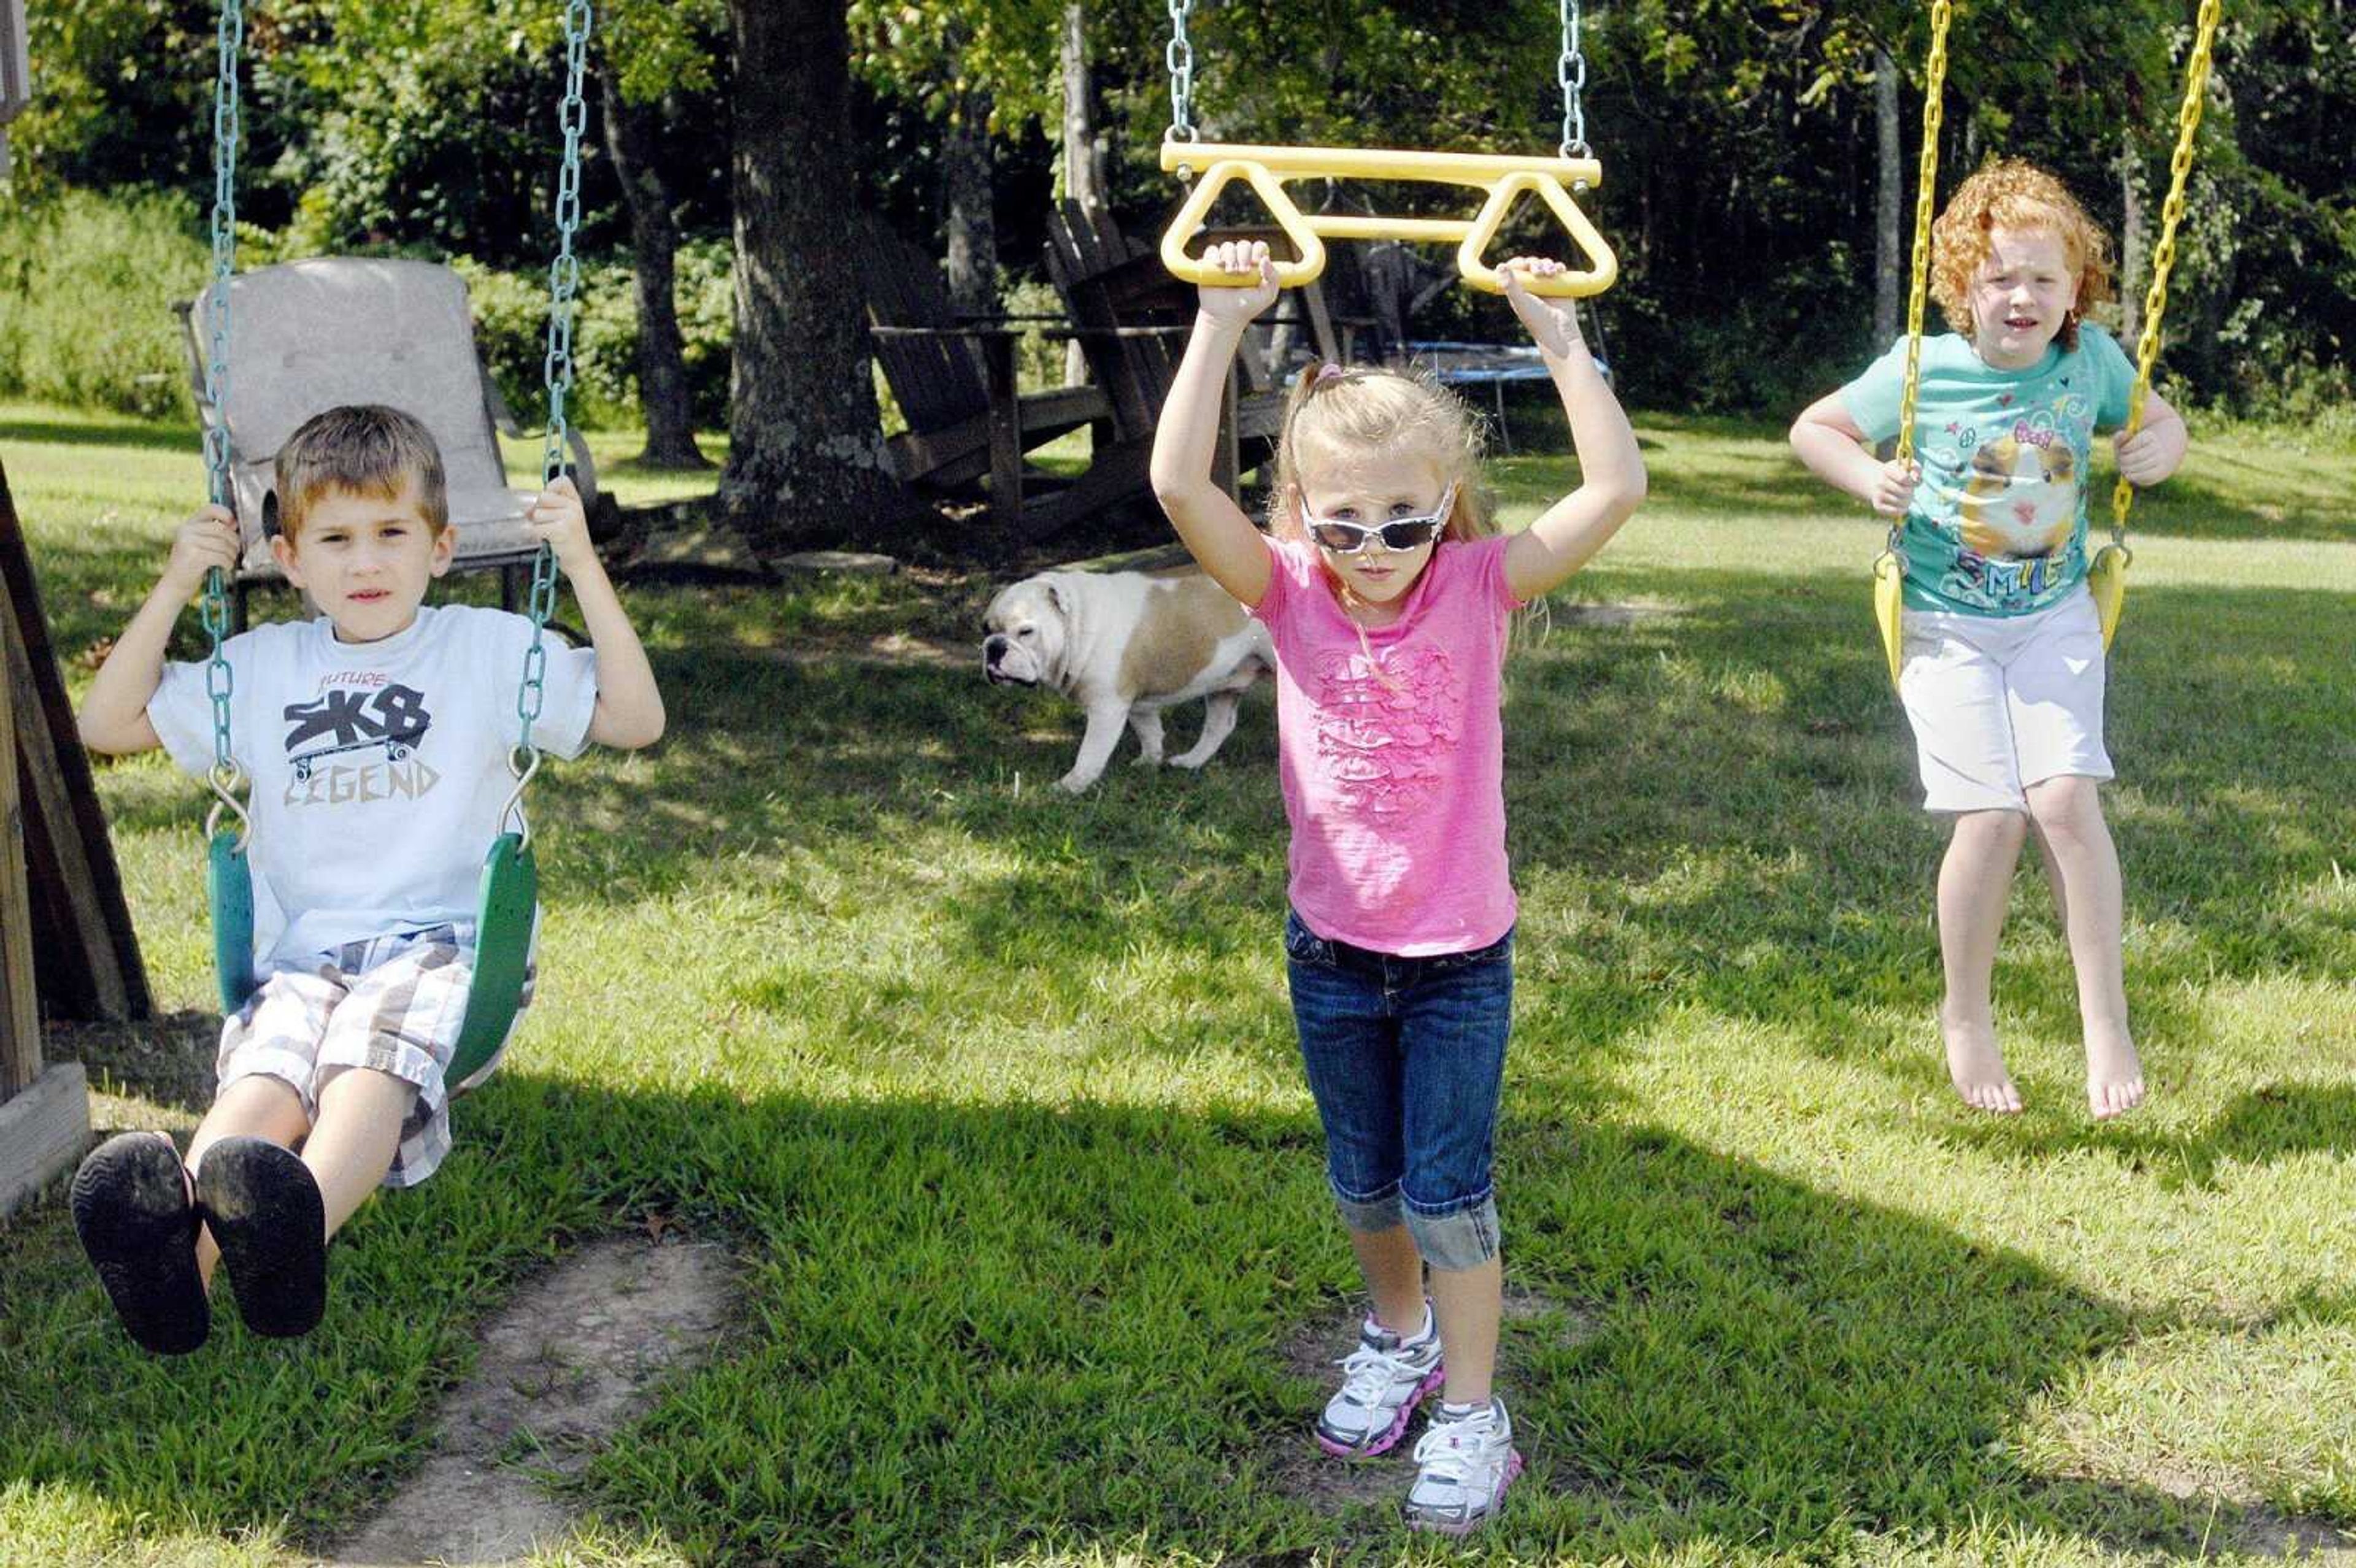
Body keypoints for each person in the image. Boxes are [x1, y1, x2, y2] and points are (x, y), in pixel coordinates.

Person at [1150, 240, 1645, 1532]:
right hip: (1332, 952)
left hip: (1458, 960)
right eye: (1346, 521)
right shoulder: (1290, 591)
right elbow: (1173, 484)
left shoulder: (1480, 587)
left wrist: (1557, 335)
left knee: (1446, 1191)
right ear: (1303, 514)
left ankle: (1475, 1412)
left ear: (1452, 508)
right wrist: (1219, 324)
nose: (1378, 550)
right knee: (1364, 1183)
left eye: (1408, 522)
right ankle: (1398, 1333)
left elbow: (1616, 486)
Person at [70, 402, 664, 1352]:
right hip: (304, 952)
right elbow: (106, 724)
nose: (366, 562)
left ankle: (294, 1231)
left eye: (392, 533)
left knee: (367, 1064)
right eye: (336, 540)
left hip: (443, 944)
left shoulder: (483, 649)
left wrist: (584, 564)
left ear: (441, 547)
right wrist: (181, 578)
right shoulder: (261, 667)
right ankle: (177, 1271)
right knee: (265, 1079)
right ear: (290, 560)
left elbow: (634, 720)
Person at [1790, 159, 2187, 1119]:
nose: (2021, 297)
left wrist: (2155, 450)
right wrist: (1865, 478)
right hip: (1945, 627)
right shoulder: (1922, 366)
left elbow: (2163, 425)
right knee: (1993, 817)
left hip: (2055, 618)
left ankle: (2106, 1016)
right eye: (2000, 276)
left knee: (2064, 802)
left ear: (2074, 292)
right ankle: (1966, 1014)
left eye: (2044, 280)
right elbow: (1816, 430)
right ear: (1962, 282)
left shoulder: (2090, 363)